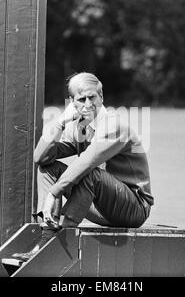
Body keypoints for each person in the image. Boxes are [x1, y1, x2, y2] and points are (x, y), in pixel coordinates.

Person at [11, 72, 154, 262]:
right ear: (72, 102)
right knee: (48, 168)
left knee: (89, 172)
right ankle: (46, 237)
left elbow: (87, 161)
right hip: (99, 205)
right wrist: (61, 122)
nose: (88, 104)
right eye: (81, 99)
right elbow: (41, 157)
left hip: (133, 208)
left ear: (101, 96)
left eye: (92, 97)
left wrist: (54, 193)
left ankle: (62, 241)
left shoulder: (115, 125)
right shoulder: (80, 127)